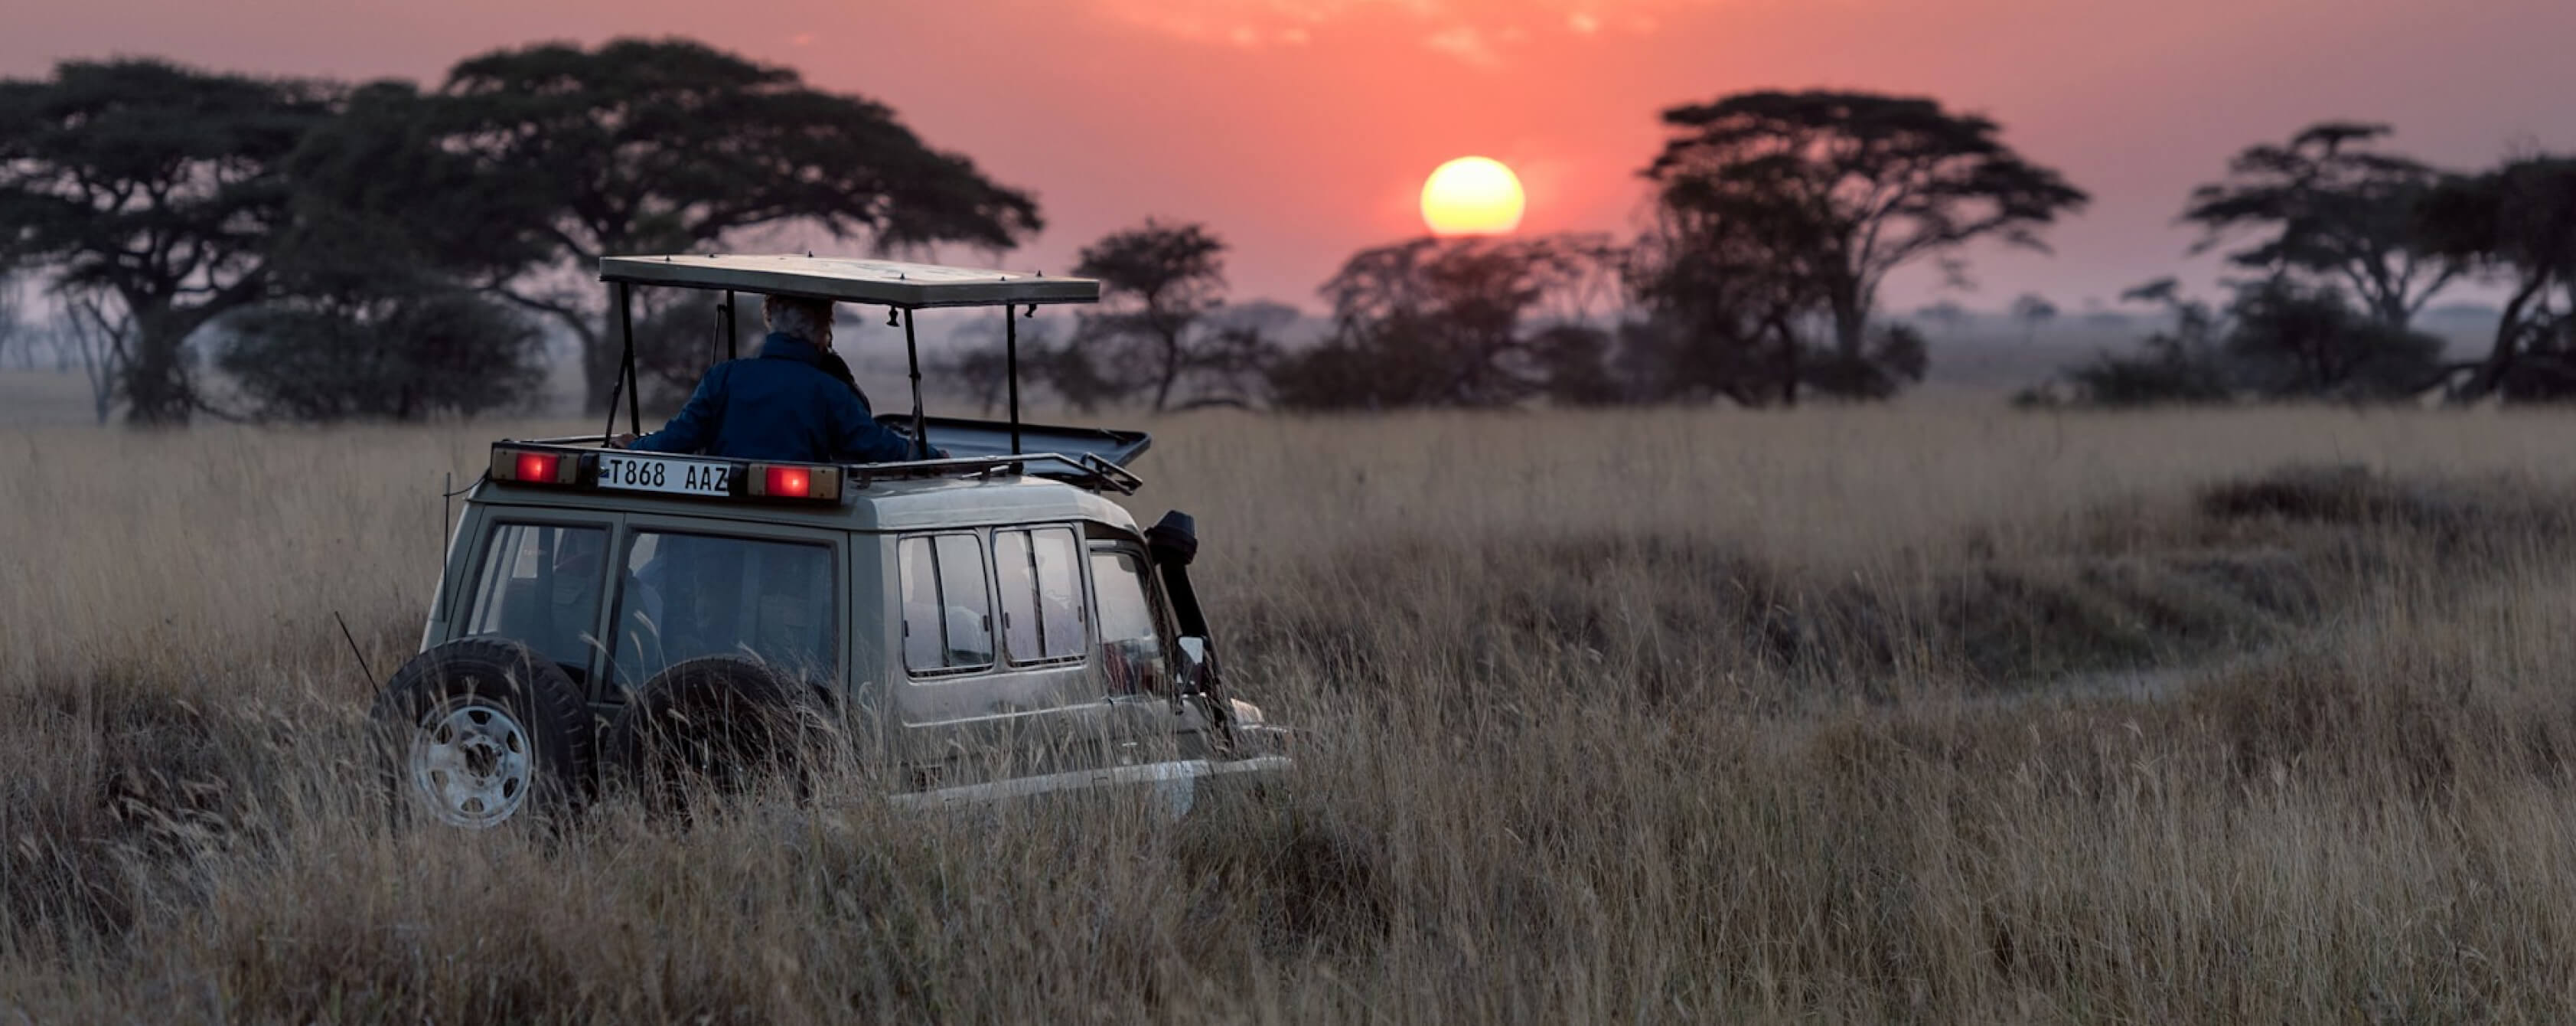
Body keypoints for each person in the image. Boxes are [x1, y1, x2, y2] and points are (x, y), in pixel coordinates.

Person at [610, 294, 928, 463]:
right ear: (823, 330)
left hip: (720, 535)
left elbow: (679, 438)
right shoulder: (830, 391)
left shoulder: (724, 377)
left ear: (771, 320)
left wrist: (637, 446)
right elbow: (873, 444)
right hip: (801, 538)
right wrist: (929, 457)